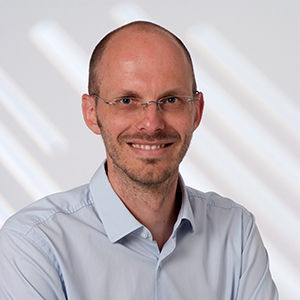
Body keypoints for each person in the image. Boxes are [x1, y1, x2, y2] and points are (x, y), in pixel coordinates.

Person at [0, 21, 278, 299]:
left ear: (197, 112)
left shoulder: (236, 231)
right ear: (90, 112)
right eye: (126, 101)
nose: (152, 123)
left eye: (170, 100)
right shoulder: (35, 242)